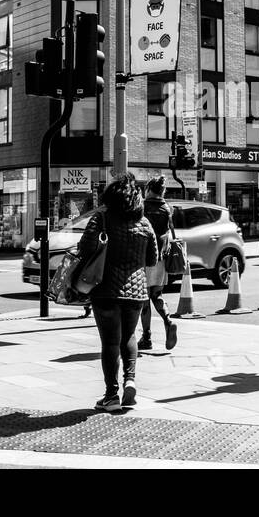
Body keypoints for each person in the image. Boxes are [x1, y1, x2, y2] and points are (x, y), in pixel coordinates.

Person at [79, 173, 156, 413]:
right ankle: (130, 380)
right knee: (129, 336)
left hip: (105, 290)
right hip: (136, 292)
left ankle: (111, 395)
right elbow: (152, 259)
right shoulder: (144, 223)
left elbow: (85, 247)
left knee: (110, 342)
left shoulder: (101, 217)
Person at [140, 176, 179, 352]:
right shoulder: (166, 208)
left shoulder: (143, 207)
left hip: (144, 258)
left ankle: (147, 337)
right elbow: (171, 234)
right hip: (161, 259)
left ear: (148, 189)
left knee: (144, 299)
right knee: (157, 294)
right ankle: (168, 320)